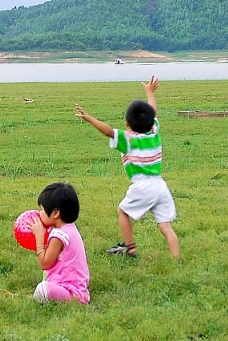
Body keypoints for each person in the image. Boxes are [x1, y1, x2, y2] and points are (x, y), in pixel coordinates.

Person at [75, 76, 180, 259]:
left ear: (127, 124)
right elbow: (153, 111)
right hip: (160, 186)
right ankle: (176, 258)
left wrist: (89, 118)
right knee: (165, 226)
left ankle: (130, 248)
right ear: (151, 121)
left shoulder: (129, 139)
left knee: (123, 212)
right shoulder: (154, 131)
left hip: (143, 186)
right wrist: (150, 92)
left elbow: (108, 131)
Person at [27, 182, 90, 304]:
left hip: (71, 292)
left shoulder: (59, 236)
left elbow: (45, 263)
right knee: (45, 284)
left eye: (42, 209)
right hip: (77, 288)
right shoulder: (70, 229)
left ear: (55, 213)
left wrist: (39, 237)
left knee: (43, 288)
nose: (39, 213)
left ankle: (71, 300)